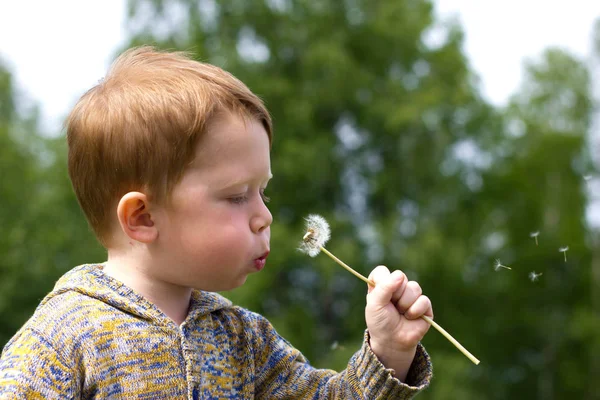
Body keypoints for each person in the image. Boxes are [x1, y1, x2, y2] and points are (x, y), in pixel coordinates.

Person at [0, 46, 433, 399]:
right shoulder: (63, 339)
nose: (264, 216)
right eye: (236, 196)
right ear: (143, 217)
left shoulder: (243, 339)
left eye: (263, 192)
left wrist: (390, 350)